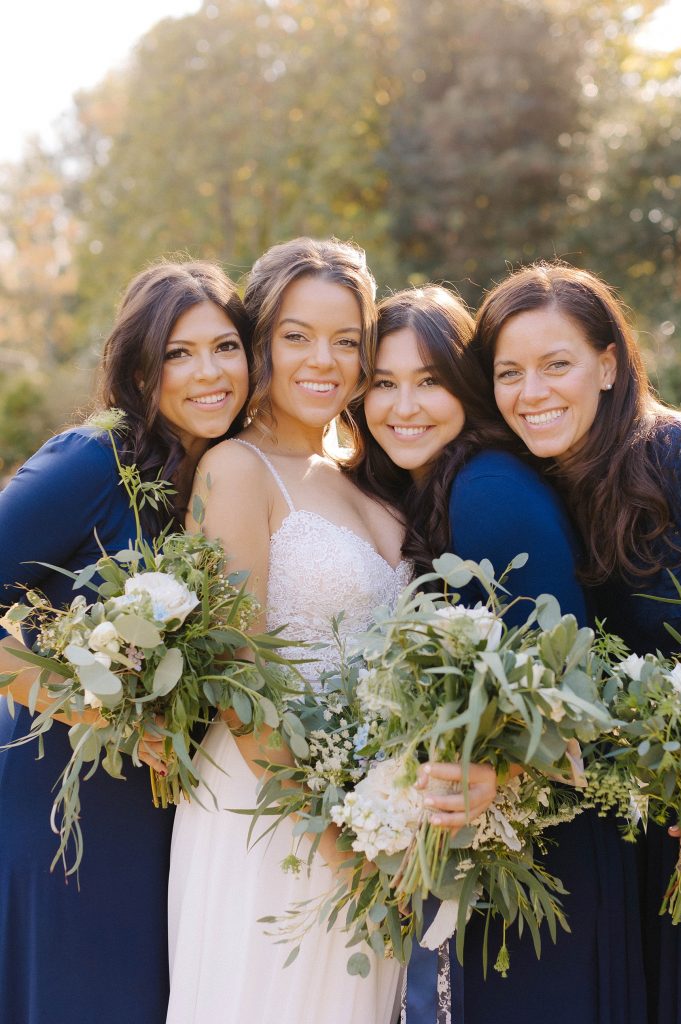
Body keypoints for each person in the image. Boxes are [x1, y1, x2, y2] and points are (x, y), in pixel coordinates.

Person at [473, 261, 681, 1024]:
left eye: (557, 364)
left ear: (608, 364)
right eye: (508, 372)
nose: (532, 391)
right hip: (662, 835)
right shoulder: (538, 495)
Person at [352, 285, 647, 1024]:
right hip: (498, 844)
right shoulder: (431, 488)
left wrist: (500, 770)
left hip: (546, 860)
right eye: (382, 384)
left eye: (428, 382)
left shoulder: (486, 489)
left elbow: (569, 687)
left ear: (465, 389)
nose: (403, 405)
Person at [0, 259, 252, 1024]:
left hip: (182, 820)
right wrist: (95, 710)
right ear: (140, 366)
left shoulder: (227, 471)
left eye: (226, 347)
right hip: (71, 810)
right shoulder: (90, 458)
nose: (208, 372)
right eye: (179, 353)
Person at [166, 238, 408, 1024]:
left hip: (375, 810)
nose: (325, 360)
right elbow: (240, 676)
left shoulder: (360, 477)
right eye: (298, 335)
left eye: (347, 340)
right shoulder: (235, 468)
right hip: (272, 810)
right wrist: (335, 834)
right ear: (262, 338)